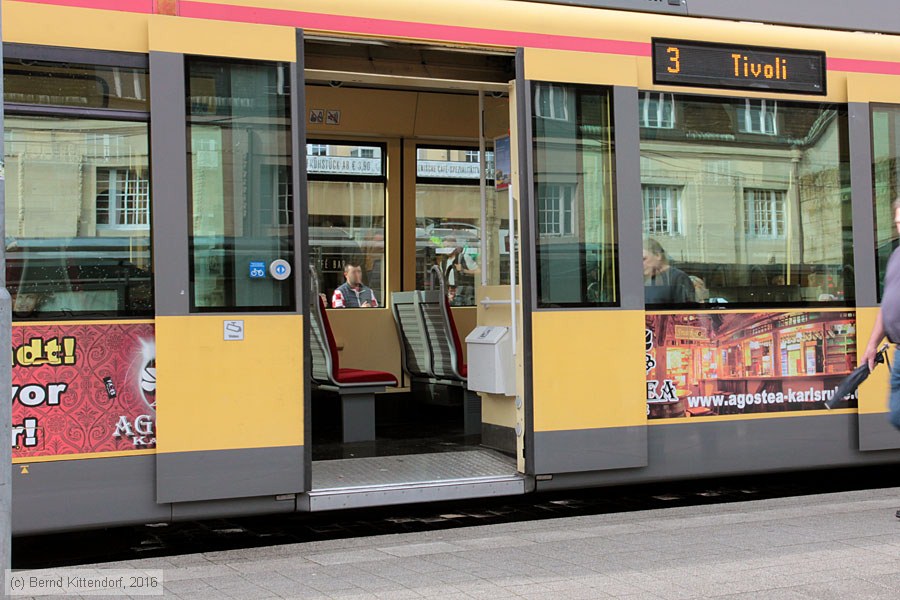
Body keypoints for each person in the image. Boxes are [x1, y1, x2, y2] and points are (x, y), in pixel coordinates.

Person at [860, 197, 900, 519]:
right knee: (897, 416)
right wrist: (873, 343)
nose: (899, 224)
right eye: (898, 219)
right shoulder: (896, 256)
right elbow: (887, 306)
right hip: (899, 353)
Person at [643, 238, 695, 304]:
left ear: (658, 255)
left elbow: (686, 311)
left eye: (643, 259)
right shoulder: (643, 280)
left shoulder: (678, 278)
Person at [444, 236, 480, 305]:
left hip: (463, 293)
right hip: (450, 294)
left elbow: (479, 272)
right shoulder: (443, 262)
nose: (446, 249)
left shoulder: (464, 257)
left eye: (448, 246)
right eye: (445, 247)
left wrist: (464, 270)